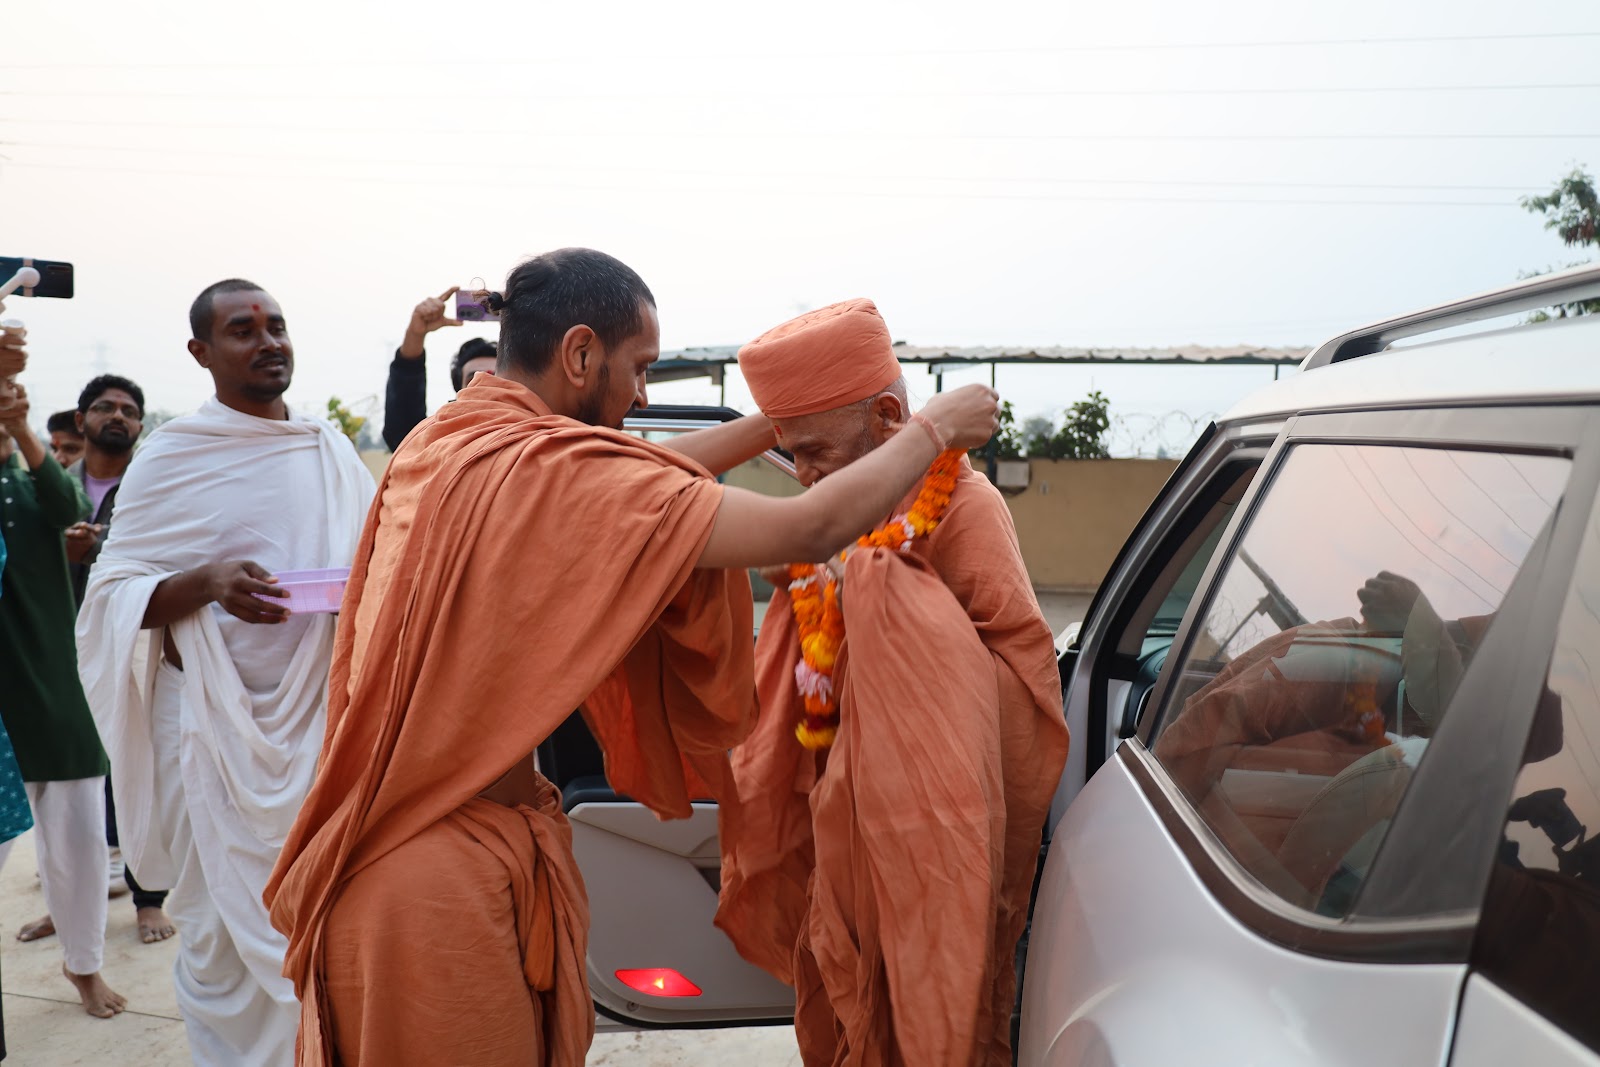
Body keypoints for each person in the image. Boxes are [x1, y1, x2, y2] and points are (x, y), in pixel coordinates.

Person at [263, 247, 999, 1066]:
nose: (644, 396)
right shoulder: (547, 466)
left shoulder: (454, 444)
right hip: (435, 891)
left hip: (398, 867)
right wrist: (940, 426)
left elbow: (647, 480)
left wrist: (790, 414)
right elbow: (806, 528)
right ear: (580, 354)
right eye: (639, 368)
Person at [712, 299, 1068, 1066]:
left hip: (932, 837)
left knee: (933, 1016)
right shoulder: (834, 510)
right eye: (790, 457)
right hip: (844, 838)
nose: (804, 478)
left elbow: (1022, 681)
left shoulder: (963, 507)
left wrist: (876, 597)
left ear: (885, 416)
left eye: (813, 453)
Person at [77, 279, 375, 1065]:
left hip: (318, 723)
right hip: (204, 727)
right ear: (201, 353)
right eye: (242, 330)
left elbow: (381, 565)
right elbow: (112, 592)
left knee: (324, 917)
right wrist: (206, 583)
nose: (268, 340)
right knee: (217, 931)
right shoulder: (172, 455)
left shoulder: (329, 448)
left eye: (276, 325)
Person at [0, 376, 126, 1019]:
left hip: (51, 684)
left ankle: (85, 968)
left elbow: (64, 499)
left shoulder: (33, 487)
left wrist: (22, 429)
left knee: (78, 835)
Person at [61, 374, 175, 944]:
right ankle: (72, 908)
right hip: (58, 649)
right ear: (80, 420)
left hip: (130, 646)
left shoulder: (153, 487)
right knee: (72, 784)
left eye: (130, 410)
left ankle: (148, 898)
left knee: (134, 766)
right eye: (104, 407)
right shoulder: (53, 486)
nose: (118, 417)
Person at [382, 286, 498, 450]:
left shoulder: (537, 436)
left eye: (495, 377)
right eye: (475, 379)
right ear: (459, 394)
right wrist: (415, 335)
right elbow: (403, 431)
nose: (486, 384)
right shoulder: (438, 442)